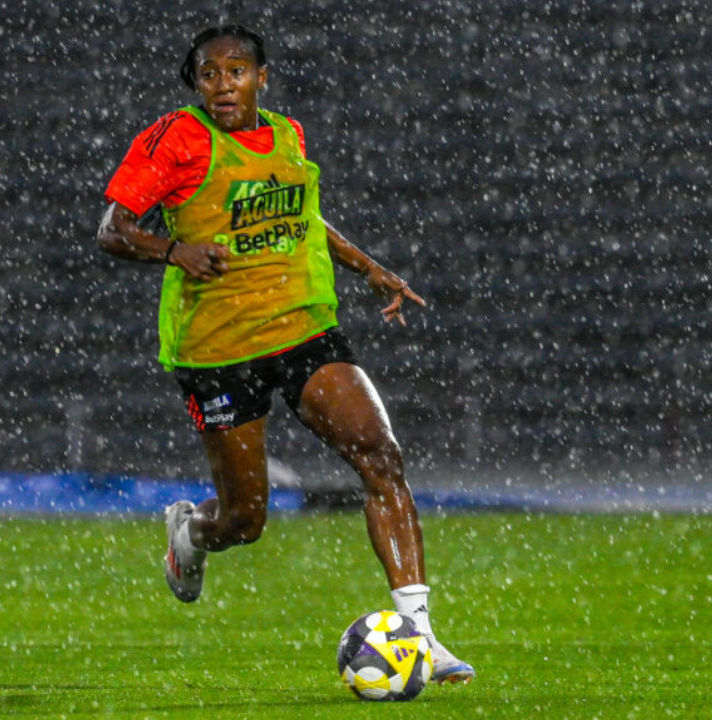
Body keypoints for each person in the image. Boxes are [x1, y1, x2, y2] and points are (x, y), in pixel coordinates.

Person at [97, 24, 473, 685]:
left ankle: (420, 635)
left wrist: (368, 267)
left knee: (380, 456)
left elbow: (302, 218)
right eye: (209, 74)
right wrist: (175, 251)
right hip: (219, 348)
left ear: (261, 78)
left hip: (302, 328)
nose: (222, 85)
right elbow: (113, 229)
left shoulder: (287, 135)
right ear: (196, 84)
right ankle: (191, 534)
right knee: (244, 521)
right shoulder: (177, 138)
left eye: (236, 72)